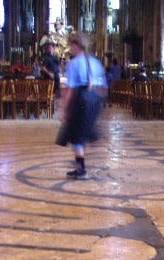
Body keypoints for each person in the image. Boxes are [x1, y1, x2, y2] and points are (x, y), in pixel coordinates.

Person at [56, 32, 107, 180]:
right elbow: (104, 88)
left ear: (76, 46)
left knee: (75, 134)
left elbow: (70, 89)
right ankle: (87, 141)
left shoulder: (73, 63)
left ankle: (81, 169)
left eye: (71, 46)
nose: (70, 50)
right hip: (94, 99)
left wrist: (64, 109)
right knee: (82, 130)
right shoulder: (96, 62)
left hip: (81, 99)